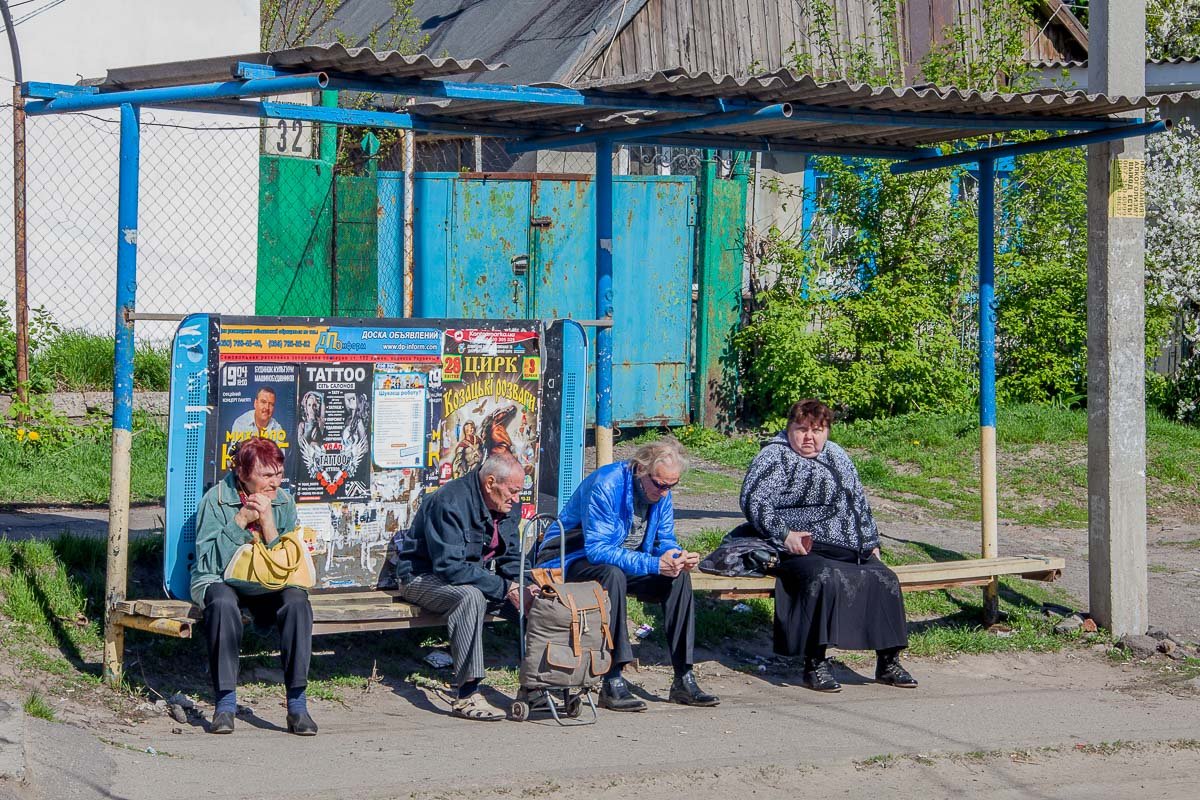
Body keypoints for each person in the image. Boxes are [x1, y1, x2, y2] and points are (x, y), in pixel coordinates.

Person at [740, 399, 916, 693]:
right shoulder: (774, 456)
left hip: (848, 546)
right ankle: (815, 663)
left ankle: (888, 662)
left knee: (885, 578)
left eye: (817, 430)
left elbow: (858, 501)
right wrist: (785, 534)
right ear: (789, 428)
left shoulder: (837, 454)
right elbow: (753, 500)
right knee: (823, 577)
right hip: (799, 547)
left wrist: (871, 541)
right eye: (802, 429)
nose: (809, 437)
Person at [540, 438, 719, 711]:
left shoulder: (662, 491)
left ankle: (684, 677)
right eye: (659, 484)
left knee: (679, 577)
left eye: (671, 486)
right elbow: (598, 550)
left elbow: (664, 539)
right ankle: (612, 679)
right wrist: (653, 564)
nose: (664, 492)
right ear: (641, 469)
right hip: (571, 558)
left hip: (627, 561)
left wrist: (675, 557)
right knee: (613, 575)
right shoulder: (607, 484)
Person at [189, 437, 317, 735]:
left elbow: (287, 561)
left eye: (279, 474)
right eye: (266, 475)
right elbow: (207, 564)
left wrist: (269, 524)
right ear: (243, 473)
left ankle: (297, 704)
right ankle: (225, 704)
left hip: (267, 582)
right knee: (221, 603)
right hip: (222, 579)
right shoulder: (216, 500)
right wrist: (240, 521)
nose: (275, 482)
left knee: (297, 602)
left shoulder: (283, 501)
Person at [393, 452, 535, 721]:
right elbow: (449, 567)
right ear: (490, 483)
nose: (517, 499)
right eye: (513, 491)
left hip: (473, 578)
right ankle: (467, 695)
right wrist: (506, 588)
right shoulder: (450, 501)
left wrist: (524, 587)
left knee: (539, 602)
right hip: (422, 577)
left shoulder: (507, 506)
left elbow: (511, 558)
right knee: (471, 597)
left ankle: (537, 685)